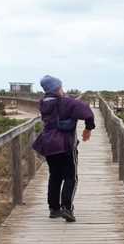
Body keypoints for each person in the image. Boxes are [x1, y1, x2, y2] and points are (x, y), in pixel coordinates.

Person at [32, 75, 95, 222]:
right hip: (65, 144)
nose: (62, 89)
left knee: (55, 176)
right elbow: (87, 111)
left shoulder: (43, 103)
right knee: (71, 177)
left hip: (48, 144)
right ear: (56, 89)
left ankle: (54, 209)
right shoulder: (66, 103)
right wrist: (88, 128)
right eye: (60, 87)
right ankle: (67, 208)